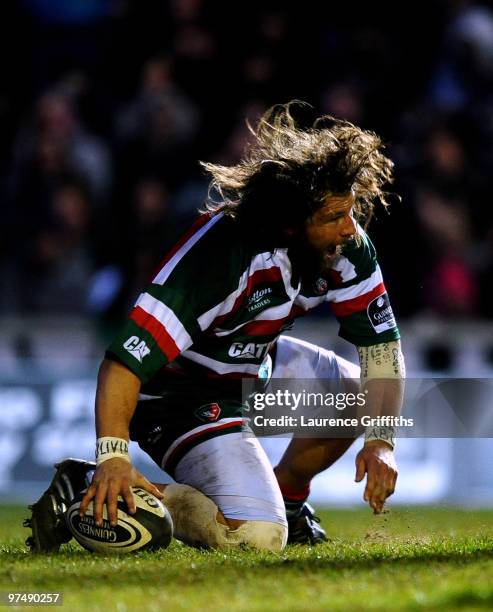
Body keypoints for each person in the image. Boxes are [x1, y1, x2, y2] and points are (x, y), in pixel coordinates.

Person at [25, 101, 405, 553]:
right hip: (178, 398)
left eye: (350, 211)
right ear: (290, 226)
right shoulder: (219, 255)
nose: (349, 229)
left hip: (249, 367)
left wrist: (381, 441)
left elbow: (383, 349)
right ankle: (88, 484)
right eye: (331, 218)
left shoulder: (347, 247)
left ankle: (286, 498)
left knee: (353, 393)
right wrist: (113, 457)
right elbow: (122, 366)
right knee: (258, 537)